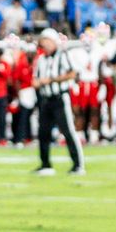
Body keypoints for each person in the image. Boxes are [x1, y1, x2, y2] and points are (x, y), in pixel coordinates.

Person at [33, 29, 83, 175]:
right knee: (43, 133)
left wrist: (52, 80)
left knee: (68, 131)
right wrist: (37, 83)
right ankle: (45, 165)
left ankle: (78, 165)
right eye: (43, 41)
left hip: (60, 98)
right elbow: (35, 79)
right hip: (45, 99)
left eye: (47, 41)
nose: (45, 44)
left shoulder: (63, 55)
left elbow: (73, 73)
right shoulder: (41, 59)